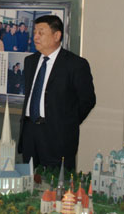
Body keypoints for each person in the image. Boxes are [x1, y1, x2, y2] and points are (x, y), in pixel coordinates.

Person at [18, 15, 96, 170]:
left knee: (56, 182)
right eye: (35, 32)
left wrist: (67, 122)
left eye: (41, 32)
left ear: (57, 35)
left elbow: (87, 100)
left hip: (58, 136)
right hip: (30, 134)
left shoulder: (75, 64)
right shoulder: (30, 61)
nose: (35, 37)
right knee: (29, 179)